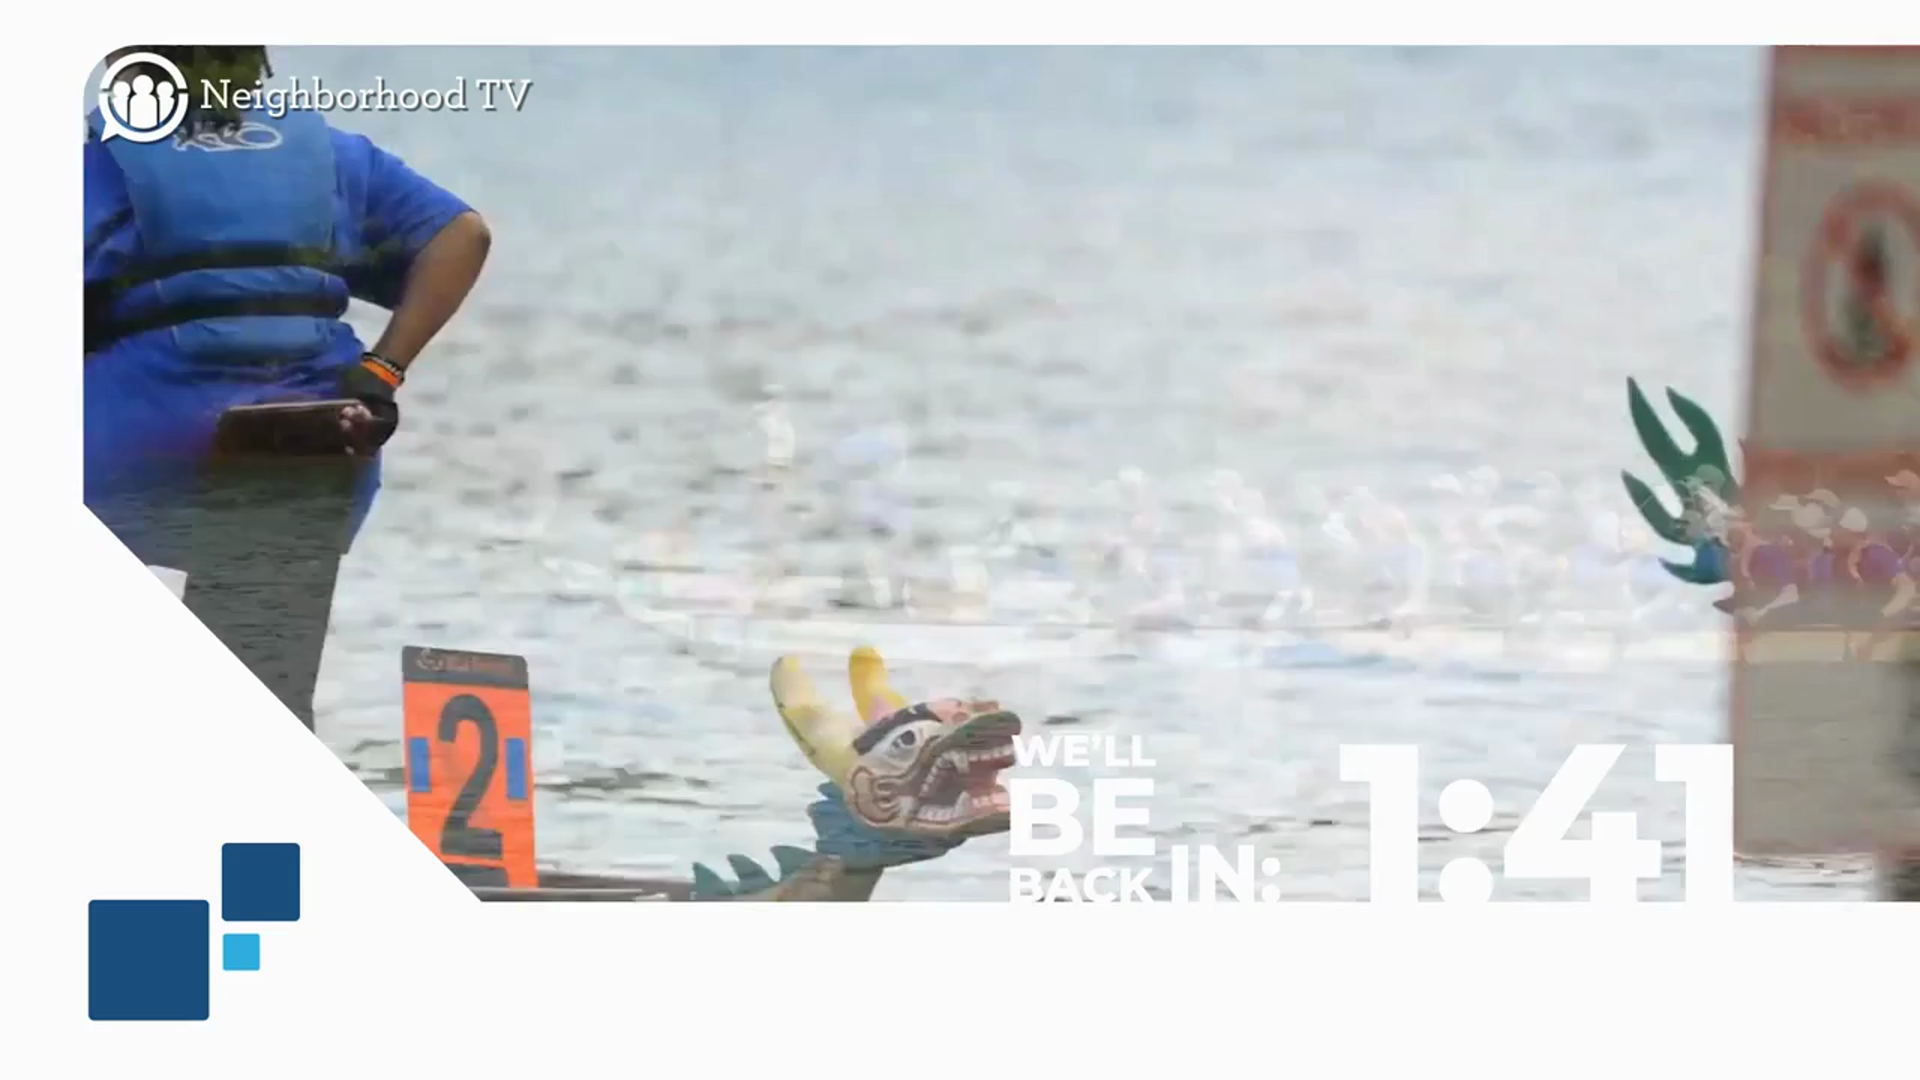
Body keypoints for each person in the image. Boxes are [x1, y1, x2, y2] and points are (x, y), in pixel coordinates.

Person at [84, 46, 491, 729]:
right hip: (308, 434)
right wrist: (383, 371)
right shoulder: (329, 156)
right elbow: (463, 236)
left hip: (132, 443)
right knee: (265, 695)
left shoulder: (95, 163)